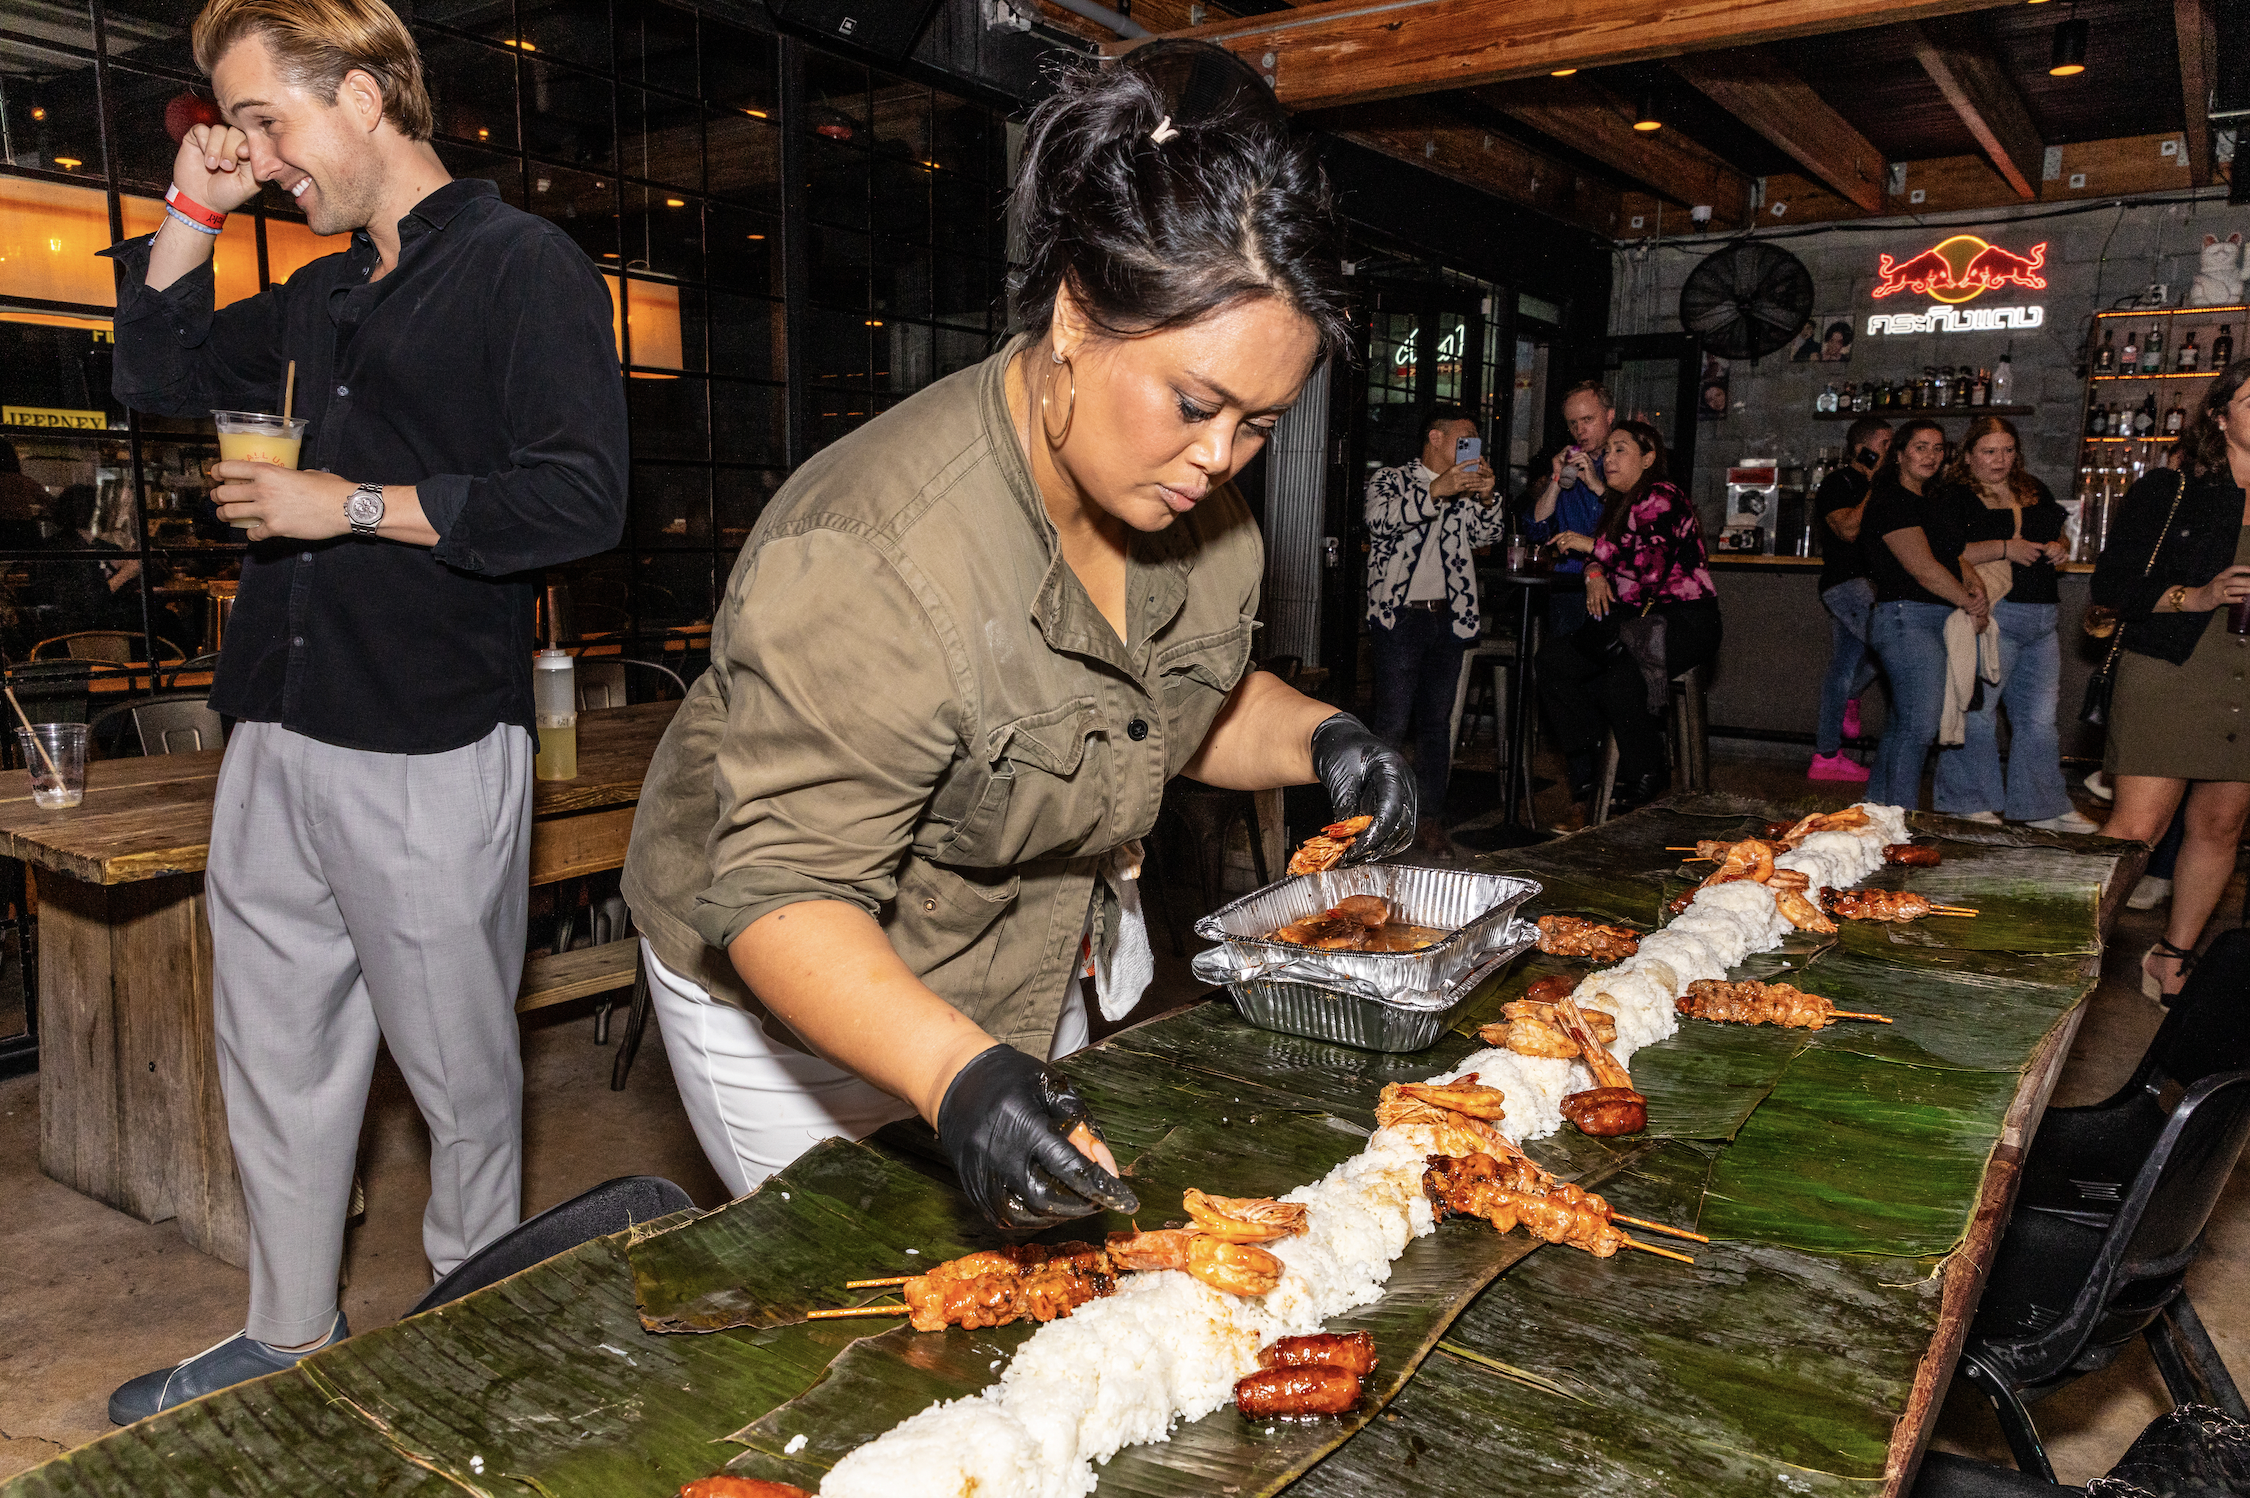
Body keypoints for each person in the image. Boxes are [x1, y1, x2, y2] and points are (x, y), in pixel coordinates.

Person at [620, 61, 1414, 1215]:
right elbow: (783, 895)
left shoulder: (1202, 521)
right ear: (1074, 316)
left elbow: (1173, 710)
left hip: (1025, 933)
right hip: (792, 973)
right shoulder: (872, 556)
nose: (1221, 458)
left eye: (1261, 425)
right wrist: (958, 1071)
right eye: (1196, 405)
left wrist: (1327, 738)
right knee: (874, 1271)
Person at [101, 0, 627, 1420]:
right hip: (273, 720)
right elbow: (149, 374)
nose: (256, 153)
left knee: (458, 1073)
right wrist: (190, 215)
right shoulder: (322, 296)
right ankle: (287, 1329)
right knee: (271, 1048)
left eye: (268, 121)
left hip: (430, 736)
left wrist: (347, 506)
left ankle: (480, 1323)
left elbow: (579, 498)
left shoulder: (525, 269)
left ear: (371, 97)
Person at [2093, 357, 2250, 1002]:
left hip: (2244, 681)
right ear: (2221, 417)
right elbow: (2113, 588)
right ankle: (2062, 946)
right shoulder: (2173, 490)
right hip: (2171, 670)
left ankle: (2173, 955)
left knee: (2221, 825)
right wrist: (2202, 593)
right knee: (2138, 829)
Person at [1536, 420, 1721, 818]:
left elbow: (1650, 568)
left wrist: (1591, 548)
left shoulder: (1660, 495)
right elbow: (1611, 556)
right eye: (1608, 451)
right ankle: (1594, 757)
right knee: (1554, 661)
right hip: (1636, 618)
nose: (1609, 458)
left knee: (1620, 680)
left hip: (1684, 619)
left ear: (1649, 458)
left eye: (1621, 449)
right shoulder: (1621, 504)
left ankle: (1646, 774)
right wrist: (1593, 568)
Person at [1937, 415, 2096, 832]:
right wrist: (2006, 547)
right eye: (1989, 451)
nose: (2000, 459)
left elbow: (2056, 533)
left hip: (2042, 610)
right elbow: (1943, 550)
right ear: (1968, 454)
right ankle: (1968, 801)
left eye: (2007, 450)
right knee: (1978, 711)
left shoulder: (2032, 487)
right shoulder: (1953, 494)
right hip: (1995, 610)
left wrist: (2061, 549)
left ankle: (2043, 807)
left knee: (2039, 718)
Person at [1365, 404, 1501, 854]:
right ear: (1435, 437)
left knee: (1436, 726)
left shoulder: (1464, 490)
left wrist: (1485, 497)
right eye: (1464, 437)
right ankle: (1377, 820)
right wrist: (1436, 491)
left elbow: (1489, 536)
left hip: (1450, 616)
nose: (1470, 448)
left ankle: (1429, 820)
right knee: (1391, 721)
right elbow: (1380, 522)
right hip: (1401, 615)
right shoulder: (1390, 479)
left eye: (1474, 441)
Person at [1861, 420, 1989, 812]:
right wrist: (1968, 603)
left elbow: (1952, 557)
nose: (1931, 456)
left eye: (1937, 448)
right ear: (1898, 454)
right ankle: (1898, 821)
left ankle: (1875, 813)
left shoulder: (1930, 502)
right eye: (1920, 447)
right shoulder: (1890, 500)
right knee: (1918, 725)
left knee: (1906, 723)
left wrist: (1975, 588)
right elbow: (1922, 567)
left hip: (1930, 617)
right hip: (1905, 618)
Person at [1808, 415, 1891, 781]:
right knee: (1892, 648)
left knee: (1847, 664)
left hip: (1871, 585)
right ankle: (1828, 750)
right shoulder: (1839, 482)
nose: (1893, 452)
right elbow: (1847, 530)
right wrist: (1874, 486)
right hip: (1847, 584)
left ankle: (1828, 753)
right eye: (1886, 445)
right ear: (1863, 450)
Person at [1522, 380, 1615, 638]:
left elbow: (1635, 518)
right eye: (1573, 423)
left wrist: (1597, 484)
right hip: (1570, 587)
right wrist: (1555, 479)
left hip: (1614, 585)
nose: (1580, 430)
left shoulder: (1621, 464)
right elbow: (1536, 530)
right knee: (1563, 666)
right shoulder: (1568, 468)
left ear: (1610, 416)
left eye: (1587, 420)